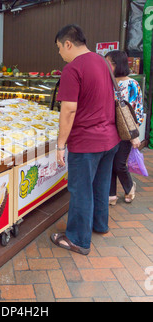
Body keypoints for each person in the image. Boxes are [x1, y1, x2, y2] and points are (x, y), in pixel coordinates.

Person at [50, 24, 121, 255]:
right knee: (100, 185)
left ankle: (78, 240)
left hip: (86, 142)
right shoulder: (102, 62)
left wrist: (60, 145)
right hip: (110, 139)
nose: (60, 53)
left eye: (60, 48)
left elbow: (68, 110)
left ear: (68, 44)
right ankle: (99, 225)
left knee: (81, 190)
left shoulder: (72, 69)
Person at [105, 50, 144, 205]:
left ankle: (129, 187)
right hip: (109, 130)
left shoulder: (132, 84)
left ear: (117, 64)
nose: (106, 65)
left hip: (125, 132)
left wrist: (135, 135)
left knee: (119, 163)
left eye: (108, 62)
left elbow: (136, 111)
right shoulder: (108, 81)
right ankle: (111, 194)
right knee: (109, 163)